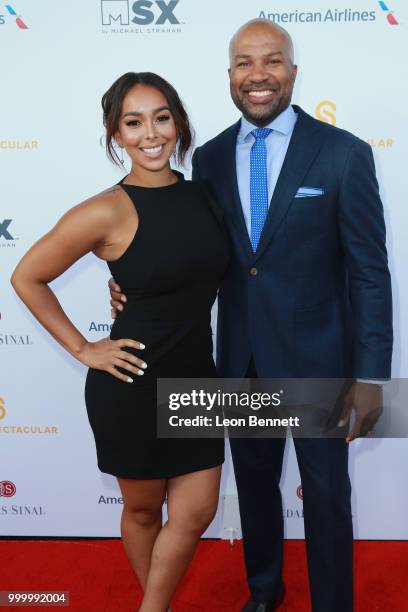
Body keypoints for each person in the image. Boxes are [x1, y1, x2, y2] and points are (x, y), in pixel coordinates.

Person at [109, 21, 393, 612]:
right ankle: (264, 592)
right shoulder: (207, 159)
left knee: (326, 494)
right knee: (257, 491)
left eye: (272, 61)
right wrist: (132, 285)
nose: (257, 74)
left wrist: (372, 375)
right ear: (230, 76)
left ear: (293, 70)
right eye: (244, 63)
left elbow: (370, 271)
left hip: (320, 362)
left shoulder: (343, 153)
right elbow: (191, 251)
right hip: (238, 360)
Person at [10, 72, 230, 612]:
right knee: (141, 511)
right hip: (131, 383)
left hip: (198, 378)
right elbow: (26, 276)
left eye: (161, 117)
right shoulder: (104, 209)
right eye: (133, 122)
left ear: (178, 123)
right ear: (116, 135)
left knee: (197, 511)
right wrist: (85, 348)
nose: (150, 133)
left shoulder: (204, 194)